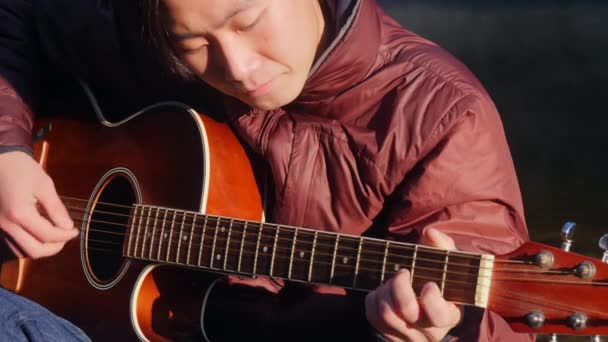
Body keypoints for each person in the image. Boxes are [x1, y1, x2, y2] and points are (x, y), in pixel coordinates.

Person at [0, 0, 532, 341]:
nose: (237, 67)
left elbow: (504, 323)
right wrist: (9, 152)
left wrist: (447, 329)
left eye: (249, 21)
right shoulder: (155, 26)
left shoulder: (439, 113)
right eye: (194, 45)